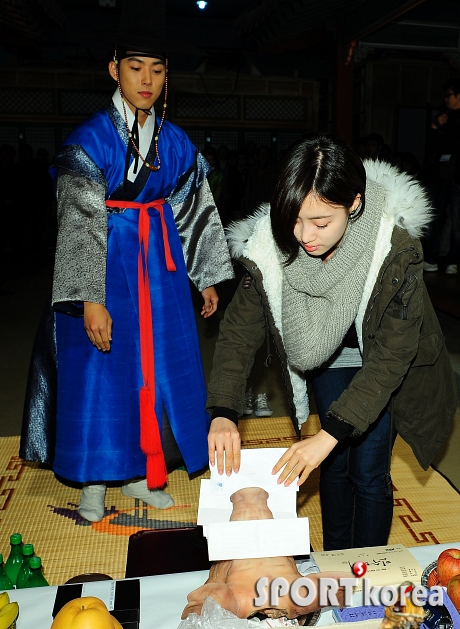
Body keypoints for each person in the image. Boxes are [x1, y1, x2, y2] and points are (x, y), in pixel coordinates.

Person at [20, 0, 234, 523]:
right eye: (135, 68)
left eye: (157, 70)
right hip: (106, 262)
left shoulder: (175, 140)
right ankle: (93, 480)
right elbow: (77, 223)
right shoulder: (91, 139)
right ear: (114, 69)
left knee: (155, 368)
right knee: (99, 368)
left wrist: (205, 275)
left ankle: (142, 473)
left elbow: (196, 206)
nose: (147, 80)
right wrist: (90, 298)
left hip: (158, 268)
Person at [206, 133, 455, 551]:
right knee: (335, 464)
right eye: (295, 219)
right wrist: (223, 410)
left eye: (321, 223)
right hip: (323, 351)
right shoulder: (270, 246)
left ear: (354, 204)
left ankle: (369, 568)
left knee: (369, 469)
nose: (305, 236)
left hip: (381, 359)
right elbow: (238, 332)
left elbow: (392, 357)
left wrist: (329, 433)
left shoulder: (394, 247)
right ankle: (338, 561)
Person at [422, 77, 460, 275]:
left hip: (457, 178)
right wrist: (435, 127)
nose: (446, 99)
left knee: (456, 224)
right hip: (440, 176)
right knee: (432, 217)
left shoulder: (452, 119)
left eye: (449, 95)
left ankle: (453, 261)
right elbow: (431, 149)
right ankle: (432, 258)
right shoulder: (443, 117)